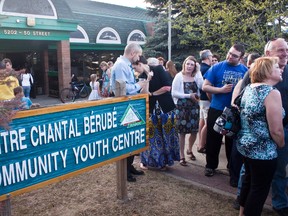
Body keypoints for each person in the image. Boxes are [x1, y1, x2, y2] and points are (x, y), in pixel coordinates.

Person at [237, 57, 284, 216]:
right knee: (259, 190)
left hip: (246, 146)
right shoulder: (271, 93)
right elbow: (276, 130)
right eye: (277, 67)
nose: (281, 68)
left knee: (249, 183)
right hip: (263, 152)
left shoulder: (250, 88)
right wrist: (281, 144)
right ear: (268, 72)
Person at [202, 44, 247, 177]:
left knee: (231, 141)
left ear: (241, 57)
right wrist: (220, 90)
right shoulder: (216, 67)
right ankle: (210, 166)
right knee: (213, 139)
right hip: (217, 109)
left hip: (234, 112)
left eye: (234, 55)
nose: (230, 56)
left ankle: (231, 168)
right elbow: (205, 87)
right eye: (229, 53)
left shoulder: (245, 71)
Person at [133, 56, 179, 170]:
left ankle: (165, 161)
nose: (135, 71)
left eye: (135, 68)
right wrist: (148, 80)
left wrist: (153, 94)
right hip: (151, 110)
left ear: (140, 64)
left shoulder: (158, 69)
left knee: (166, 135)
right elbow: (144, 93)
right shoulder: (142, 76)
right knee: (152, 136)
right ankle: (151, 161)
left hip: (165, 108)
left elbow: (167, 87)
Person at [110, 43, 147, 182]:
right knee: (126, 139)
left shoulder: (124, 64)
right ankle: (125, 171)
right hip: (124, 106)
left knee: (131, 137)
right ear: (132, 53)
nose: (138, 58)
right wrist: (139, 85)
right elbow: (123, 88)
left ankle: (129, 166)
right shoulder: (120, 65)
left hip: (129, 104)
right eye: (138, 55)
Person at [265, 38, 288, 216]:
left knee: (281, 168)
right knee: (249, 169)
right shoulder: (257, 72)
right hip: (263, 131)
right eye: (280, 50)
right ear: (269, 53)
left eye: (286, 50)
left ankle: (280, 202)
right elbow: (238, 97)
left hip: (285, 128)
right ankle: (242, 196)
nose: (285, 53)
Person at [171, 56, 203, 166]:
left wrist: (198, 72)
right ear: (184, 64)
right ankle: (181, 155)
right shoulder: (179, 76)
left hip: (194, 108)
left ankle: (190, 149)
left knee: (194, 131)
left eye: (192, 65)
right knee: (182, 132)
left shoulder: (196, 76)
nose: (189, 66)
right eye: (187, 64)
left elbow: (202, 86)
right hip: (182, 108)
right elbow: (174, 93)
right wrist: (188, 95)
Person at [198, 49, 213, 154]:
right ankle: (202, 145)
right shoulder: (208, 69)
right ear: (208, 57)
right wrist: (211, 99)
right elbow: (207, 87)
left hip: (201, 99)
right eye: (211, 56)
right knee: (208, 123)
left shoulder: (200, 68)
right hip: (207, 99)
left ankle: (200, 143)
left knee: (202, 121)